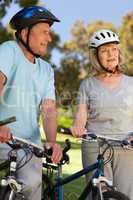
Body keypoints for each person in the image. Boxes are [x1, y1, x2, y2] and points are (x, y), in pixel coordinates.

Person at [0, 6, 62, 200]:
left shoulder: (47, 69)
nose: (49, 38)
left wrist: (51, 141)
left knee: (32, 187)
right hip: (2, 138)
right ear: (25, 32)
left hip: (29, 144)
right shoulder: (8, 50)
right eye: (44, 32)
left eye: (49, 33)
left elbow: (49, 108)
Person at [71, 29, 133, 199]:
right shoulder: (87, 84)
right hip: (95, 145)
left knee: (126, 195)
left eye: (114, 49)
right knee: (98, 194)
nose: (111, 54)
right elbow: (81, 115)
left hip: (127, 146)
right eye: (105, 50)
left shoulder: (131, 83)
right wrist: (77, 126)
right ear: (96, 56)